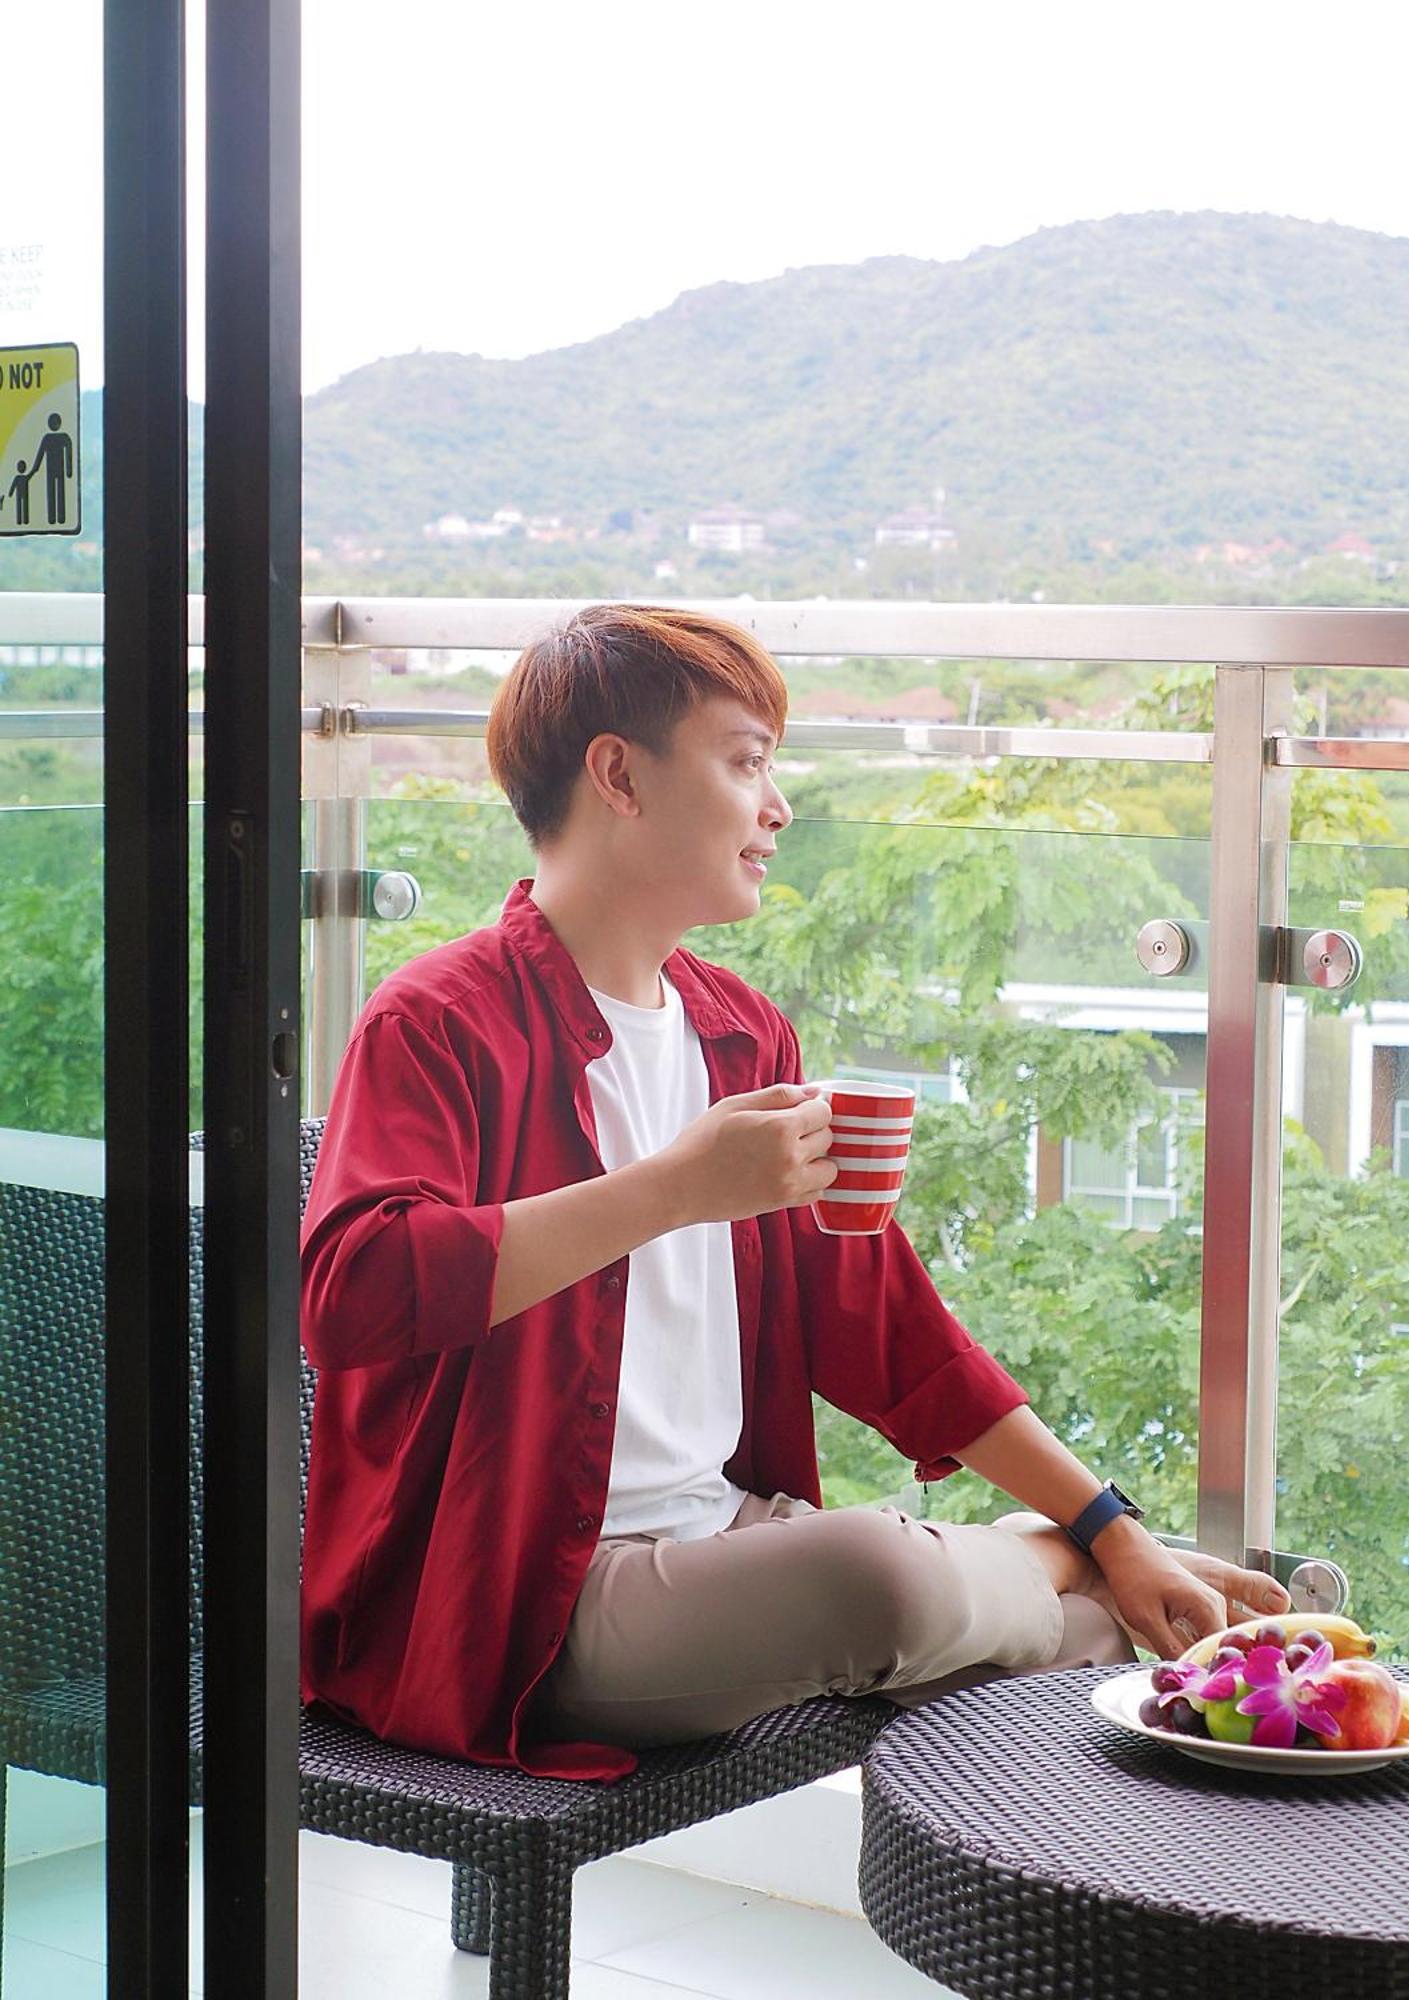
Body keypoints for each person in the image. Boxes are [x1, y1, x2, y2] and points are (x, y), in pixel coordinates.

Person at [300, 604, 1289, 1781]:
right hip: (517, 1599)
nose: (777, 807)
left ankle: (1058, 1561)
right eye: (746, 761)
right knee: (878, 1577)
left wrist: (1112, 1525)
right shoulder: (439, 1020)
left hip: (727, 1540)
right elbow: (351, 1293)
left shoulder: (742, 1034)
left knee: (1090, 1640)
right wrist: (672, 1189)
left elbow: (886, 1326)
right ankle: (1031, 1561)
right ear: (618, 774)